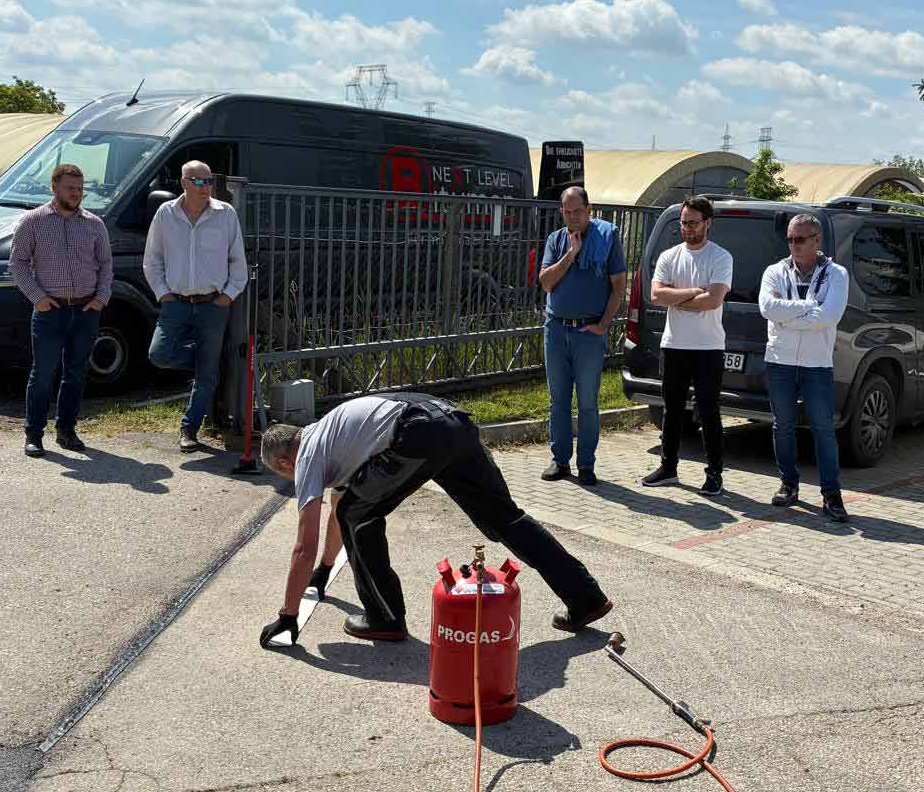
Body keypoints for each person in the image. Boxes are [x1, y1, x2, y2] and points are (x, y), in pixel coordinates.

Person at [258, 391, 614, 645]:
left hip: (417, 431)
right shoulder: (332, 435)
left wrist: (288, 615)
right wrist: (324, 569)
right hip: (451, 420)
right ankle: (585, 597)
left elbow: (303, 546)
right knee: (505, 518)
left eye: (284, 476)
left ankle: (384, 618)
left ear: (285, 463)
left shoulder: (308, 458)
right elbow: (339, 513)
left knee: (358, 514)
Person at [142, 160, 248, 453]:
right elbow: (152, 259)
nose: (206, 187)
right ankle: (208, 362)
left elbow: (238, 260)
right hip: (175, 301)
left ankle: (189, 429)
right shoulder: (166, 214)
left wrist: (227, 295)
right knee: (159, 354)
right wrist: (163, 293)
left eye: (209, 181)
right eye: (199, 181)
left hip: (213, 303)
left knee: (206, 377)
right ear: (184, 182)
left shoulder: (225, 214)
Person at [8, 163, 113, 458]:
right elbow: (17, 263)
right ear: (54, 187)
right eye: (70, 188)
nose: (76, 194)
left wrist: (101, 297)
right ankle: (34, 434)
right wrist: (37, 297)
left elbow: (105, 264)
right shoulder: (33, 221)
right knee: (42, 373)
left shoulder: (94, 224)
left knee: (76, 374)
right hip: (49, 311)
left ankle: (67, 430)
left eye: (80, 189)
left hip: (85, 310)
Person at [758, 212, 850, 522]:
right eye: (790, 240)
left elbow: (831, 315)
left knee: (823, 429)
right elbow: (767, 308)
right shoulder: (774, 271)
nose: (794, 245)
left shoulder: (836, 274)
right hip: (780, 361)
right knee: (782, 425)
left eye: (800, 239)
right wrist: (810, 308)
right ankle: (788, 484)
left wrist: (788, 317)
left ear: (816, 240)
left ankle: (831, 494)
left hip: (816, 364)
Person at [536, 185, 627, 486]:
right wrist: (570, 256)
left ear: (589, 211)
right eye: (567, 211)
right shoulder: (555, 240)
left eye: (578, 211)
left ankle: (586, 464)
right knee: (558, 399)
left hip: (588, 332)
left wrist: (604, 324)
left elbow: (618, 286)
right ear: (561, 211)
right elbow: (546, 283)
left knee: (587, 401)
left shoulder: (607, 238)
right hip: (556, 329)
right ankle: (560, 460)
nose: (573, 216)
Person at [642, 196, 732, 496]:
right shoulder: (669, 256)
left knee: (708, 411)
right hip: (674, 344)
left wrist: (676, 297)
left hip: (708, 347)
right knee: (672, 409)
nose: (687, 228)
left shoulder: (720, 257)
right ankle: (669, 467)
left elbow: (714, 300)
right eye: (683, 223)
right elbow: (656, 296)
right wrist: (694, 291)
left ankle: (715, 474)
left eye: (693, 223)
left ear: (708, 223)